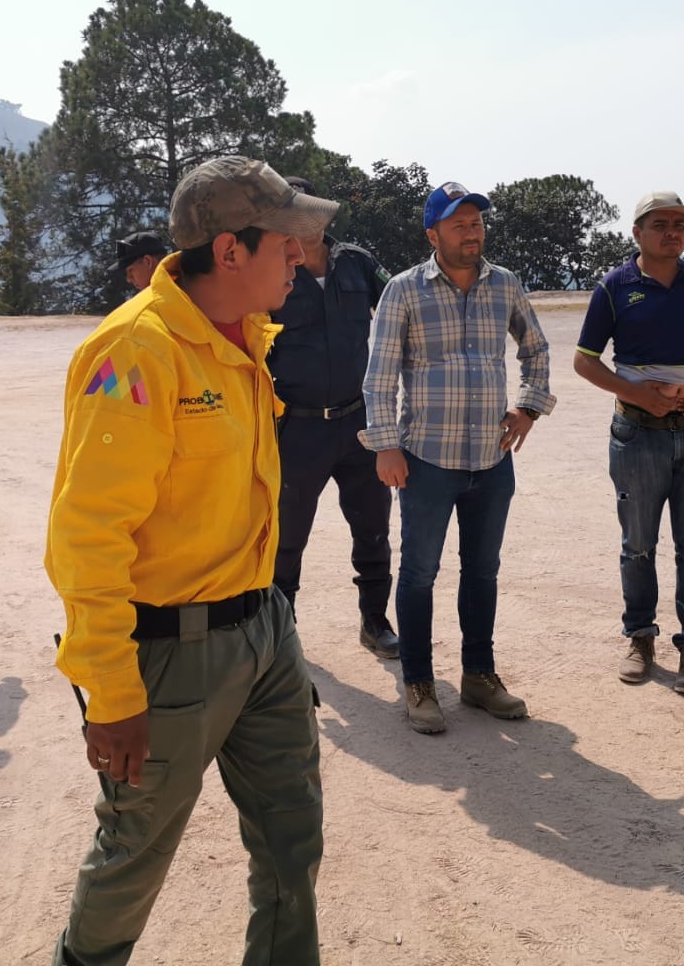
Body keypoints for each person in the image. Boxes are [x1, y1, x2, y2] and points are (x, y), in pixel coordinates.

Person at [45, 156, 333, 966]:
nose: (302, 257)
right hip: (168, 653)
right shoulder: (138, 350)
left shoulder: (243, 335)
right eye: (287, 242)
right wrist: (109, 687)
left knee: (291, 840)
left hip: (263, 630)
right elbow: (87, 532)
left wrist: (274, 629)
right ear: (231, 252)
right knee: (135, 854)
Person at [360, 181, 556, 734]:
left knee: (483, 571)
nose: (472, 233)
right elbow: (378, 377)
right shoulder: (402, 290)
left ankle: (478, 676)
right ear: (433, 234)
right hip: (425, 459)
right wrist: (385, 447)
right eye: (459, 224)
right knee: (419, 573)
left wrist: (528, 409)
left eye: (477, 223)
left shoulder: (505, 285)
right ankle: (419, 684)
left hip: (492, 460)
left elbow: (535, 349)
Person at [573, 191, 684, 695]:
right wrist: (637, 396)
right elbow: (585, 360)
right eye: (661, 224)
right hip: (638, 435)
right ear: (637, 232)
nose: (673, 232)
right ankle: (640, 638)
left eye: (680, 225)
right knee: (638, 545)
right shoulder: (614, 287)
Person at [266, 178, 399, 656]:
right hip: (297, 428)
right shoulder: (270, 274)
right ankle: (283, 637)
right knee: (286, 537)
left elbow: (400, 308)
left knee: (374, 529)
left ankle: (375, 622)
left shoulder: (357, 263)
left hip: (360, 424)